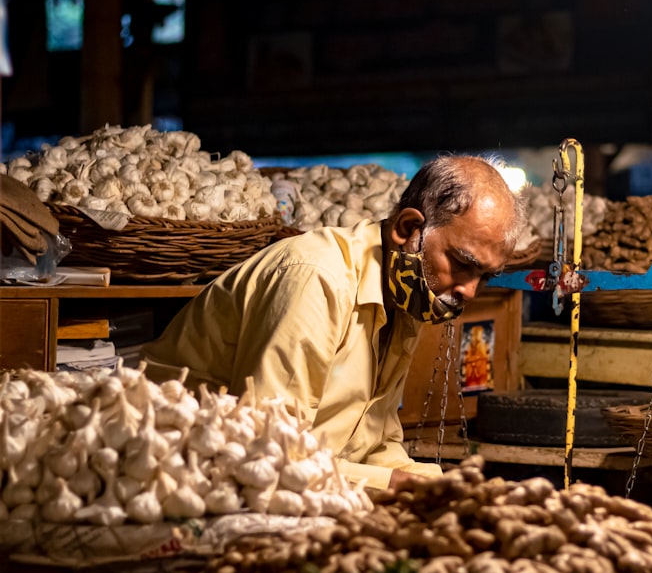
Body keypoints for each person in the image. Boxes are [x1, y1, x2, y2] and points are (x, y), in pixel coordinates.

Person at [141, 154, 526, 490]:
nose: (471, 291)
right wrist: (390, 485)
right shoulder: (317, 278)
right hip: (170, 474)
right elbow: (265, 450)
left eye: (486, 277)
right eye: (461, 264)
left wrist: (436, 485)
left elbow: (374, 444)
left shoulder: (406, 296)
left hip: (282, 479)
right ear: (408, 229)